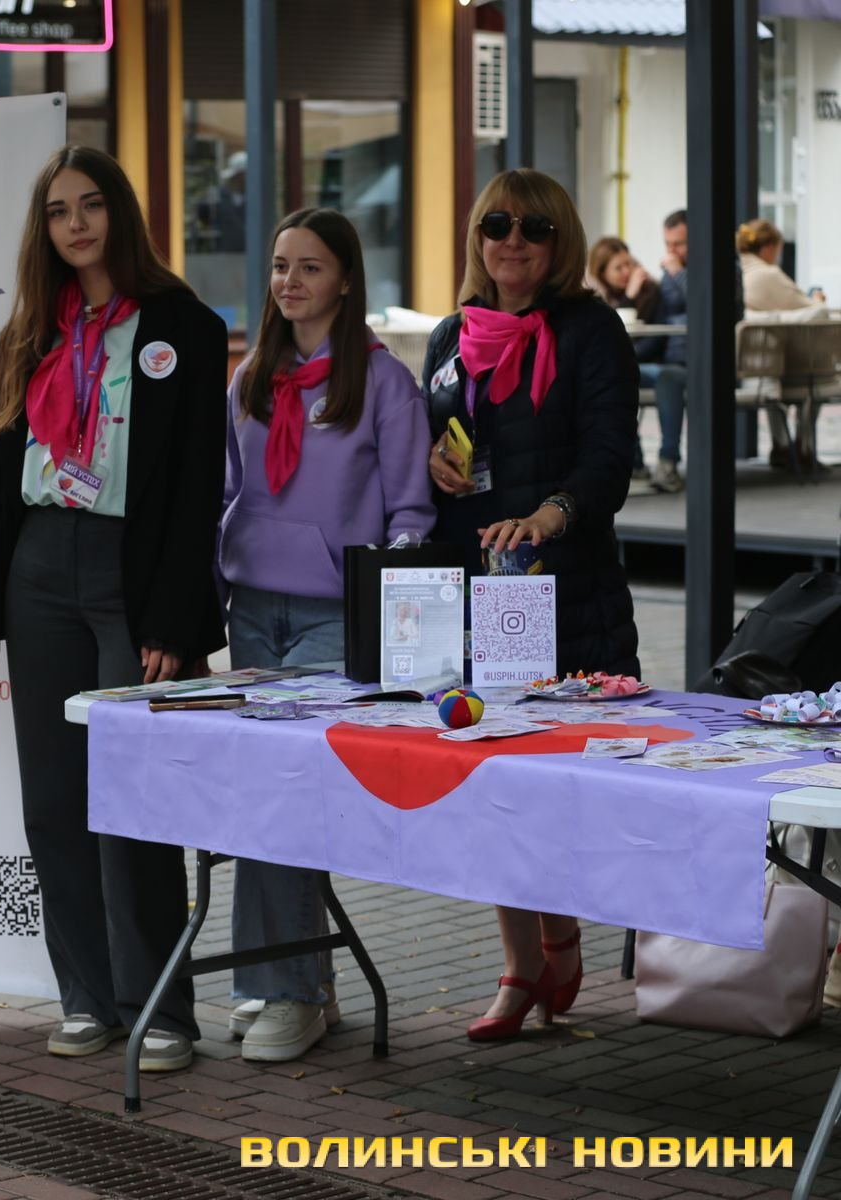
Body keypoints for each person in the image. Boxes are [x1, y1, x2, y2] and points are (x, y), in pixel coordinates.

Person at [0, 145, 228, 1073]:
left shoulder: (182, 326)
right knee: (54, 801)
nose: (75, 225)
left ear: (121, 212)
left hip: (131, 574)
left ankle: (161, 1010)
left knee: (132, 800)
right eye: (58, 211)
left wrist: (174, 623)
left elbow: (196, 488)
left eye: (91, 205)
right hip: (38, 569)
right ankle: (86, 998)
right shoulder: (29, 333)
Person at [423, 168, 640, 1042]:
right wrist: (436, 465)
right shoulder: (451, 336)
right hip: (477, 594)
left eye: (534, 229)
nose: (512, 242)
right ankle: (520, 965)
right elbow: (448, 450)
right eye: (497, 225)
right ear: (477, 236)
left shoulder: (590, 329)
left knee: (560, 783)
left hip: (569, 591)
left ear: (561, 243)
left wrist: (552, 514)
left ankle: (562, 931)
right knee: (486, 784)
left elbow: (611, 456)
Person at [218, 208, 434, 1061]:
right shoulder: (250, 377)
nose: (290, 281)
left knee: (286, 792)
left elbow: (412, 510)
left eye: (310, 266)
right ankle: (285, 978)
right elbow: (226, 492)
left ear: (346, 279)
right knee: (261, 796)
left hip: (333, 618)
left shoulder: (383, 384)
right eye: (280, 265)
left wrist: (392, 611)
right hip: (251, 610)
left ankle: (290, 990)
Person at [588, 236, 686, 493]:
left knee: (668, 376)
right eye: (618, 268)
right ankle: (633, 461)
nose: (626, 272)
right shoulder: (594, 299)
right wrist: (629, 297)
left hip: (649, 365)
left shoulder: (650, 291)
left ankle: (667, 462)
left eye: (628, 264)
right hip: (619, 368)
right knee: (612, 377)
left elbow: (657, 340)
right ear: (602, 272)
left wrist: (625, 357)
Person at [738, 218, 827, 311]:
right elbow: (810, 309)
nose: (777, 258)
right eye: (778, 251)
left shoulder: (741, 268)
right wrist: (818, 301)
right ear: (769, 248)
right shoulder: (768, 275)